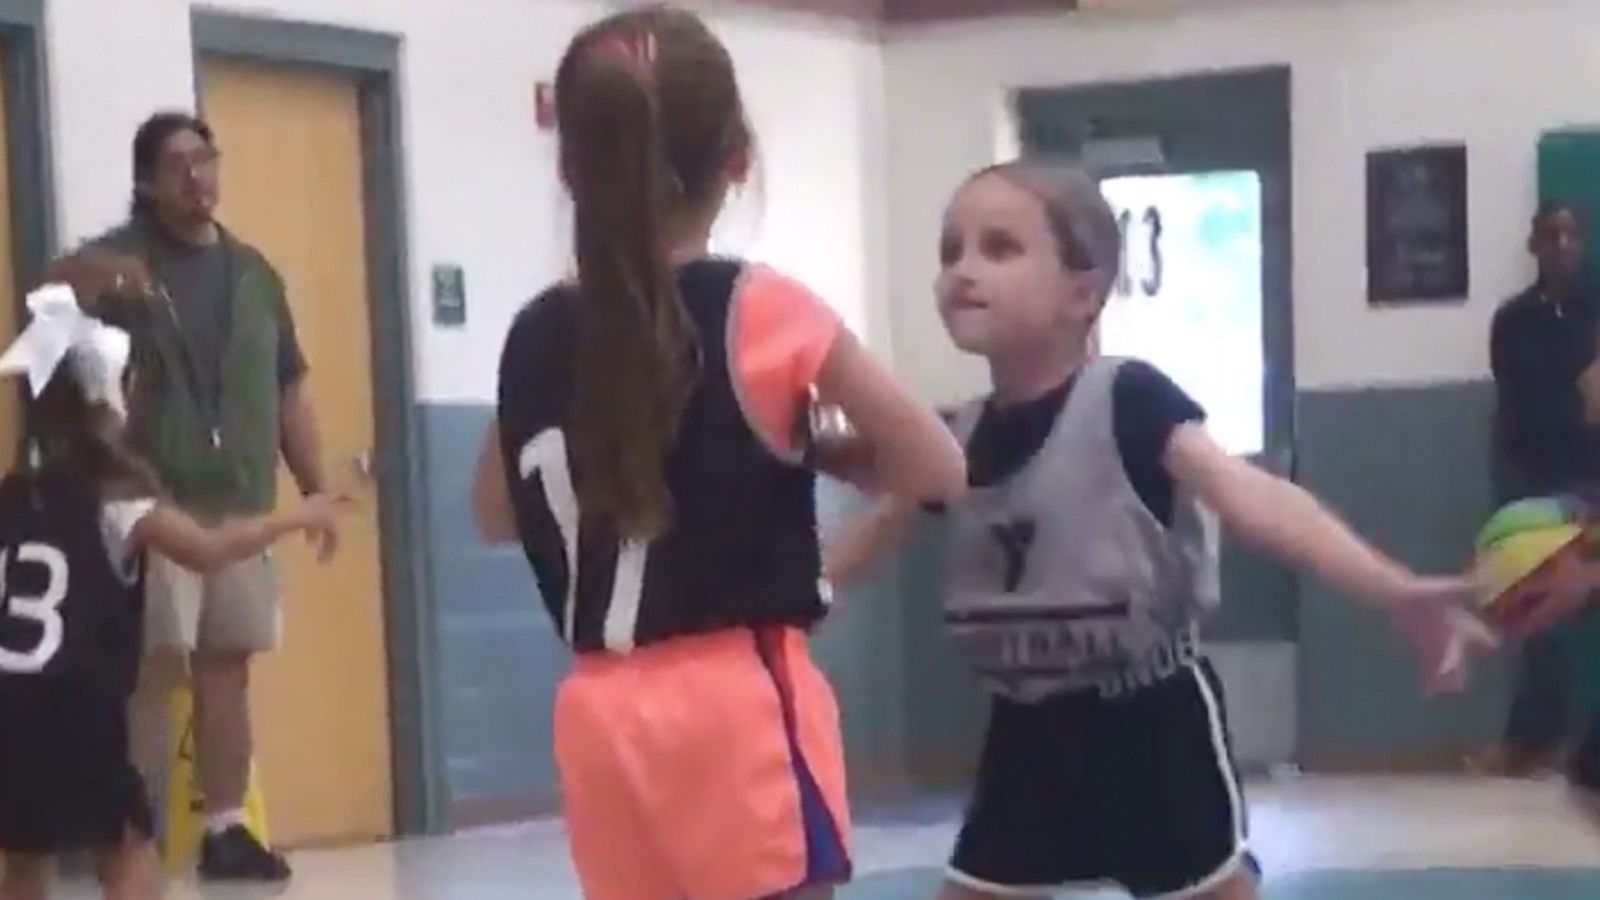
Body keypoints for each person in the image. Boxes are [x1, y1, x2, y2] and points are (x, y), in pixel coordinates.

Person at [824, 162, 1491, 900]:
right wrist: (803, 601)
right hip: (1028, 730)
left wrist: (1392, 588)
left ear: (1082, 294)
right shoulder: (958, 436)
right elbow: (881, 526)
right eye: (951, 250)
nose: (963, 269)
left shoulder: (1129, 398)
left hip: (1148, 723)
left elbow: (1251, 497)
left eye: (999, 248)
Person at [469, 6, 966, 899]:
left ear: (573, 167)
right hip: (736, 704)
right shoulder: (757, 307)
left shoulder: (533, 332)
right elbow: (938, 465)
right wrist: (825, 452)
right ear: (737, 160)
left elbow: (496, 515)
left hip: (598, 715)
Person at [39, 111, 333, 882]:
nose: (197, 175)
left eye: (205, 158)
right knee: (148, 671)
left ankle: (228, 828)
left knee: (227, 666)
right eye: (178, 164)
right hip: (152, 502)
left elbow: (289, 387)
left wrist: (319, 485)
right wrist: (86, 276)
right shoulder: (118, 264)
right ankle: (132, 824)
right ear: (146, 182)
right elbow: (40, 317)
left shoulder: (253, 275)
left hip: (239, 499)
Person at [0, 275, 346, 900]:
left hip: (7, 705)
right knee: (128, 851)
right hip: (76, 710)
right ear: (117, 394)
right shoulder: (118, 498)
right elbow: (210, 550)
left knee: (23, 858)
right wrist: (298, 514)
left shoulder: (11, 496)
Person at [1480, 202, 1600, 779]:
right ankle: (1531, 741)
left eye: (1570, 235)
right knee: (1537, 616)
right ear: (1533, 245)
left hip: (1592, 477)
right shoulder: (1514, 320)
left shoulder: (1595, 312)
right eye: (1550, 235)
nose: (1561, 245)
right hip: (1537, 480)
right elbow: (1522, 403)